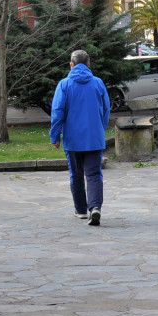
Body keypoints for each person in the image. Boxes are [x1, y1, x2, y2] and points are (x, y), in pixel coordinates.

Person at [49, 50, 110, 227]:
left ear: (71, 65)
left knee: (76, 175)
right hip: (94, 138)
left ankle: (81, 210)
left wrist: (55, 135)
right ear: (88, 64)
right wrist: (101, 129)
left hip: (73, 139)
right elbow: (106, 109)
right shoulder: (98, 83)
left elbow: (57, 112)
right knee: (93, 174)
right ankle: (95, 207)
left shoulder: (64, 85)